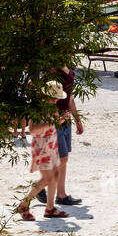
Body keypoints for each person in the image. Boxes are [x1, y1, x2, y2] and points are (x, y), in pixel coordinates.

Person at [16, 81, 68, 220]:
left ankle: (50, 208)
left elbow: (52, 123)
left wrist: (61, 120)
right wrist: (55, 122)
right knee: (47, 178)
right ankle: (24, 204)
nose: (56, 100)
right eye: (54, 97)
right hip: (41, 145)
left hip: (51, 143)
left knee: (55, 175)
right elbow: (32, 130)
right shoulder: (38, 109)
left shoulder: (52, 107)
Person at [37, 65, 84, 206]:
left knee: (63, 159)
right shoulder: (52, 73)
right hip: (54, 123)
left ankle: (60, 194)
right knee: (61, 159)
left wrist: (77, 120)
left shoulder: (69, 72)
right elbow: (44, 99)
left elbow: (70, 98)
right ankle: (43, 188)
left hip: (65, 122)